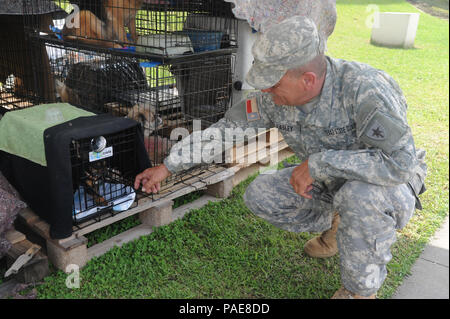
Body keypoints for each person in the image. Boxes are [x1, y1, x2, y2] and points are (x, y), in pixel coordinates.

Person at [134, 15, 427, 299]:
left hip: (385, 186)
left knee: (359, 197)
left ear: (308, 80)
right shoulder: (272, 97)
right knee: (260, 193)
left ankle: (360, 291)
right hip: (330, 182)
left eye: (273, 84)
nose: (266, 91)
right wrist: (169, 167)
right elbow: (225, 131)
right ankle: (342, 226)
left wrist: (320, 163)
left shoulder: (366, 89)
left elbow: (400, 164)